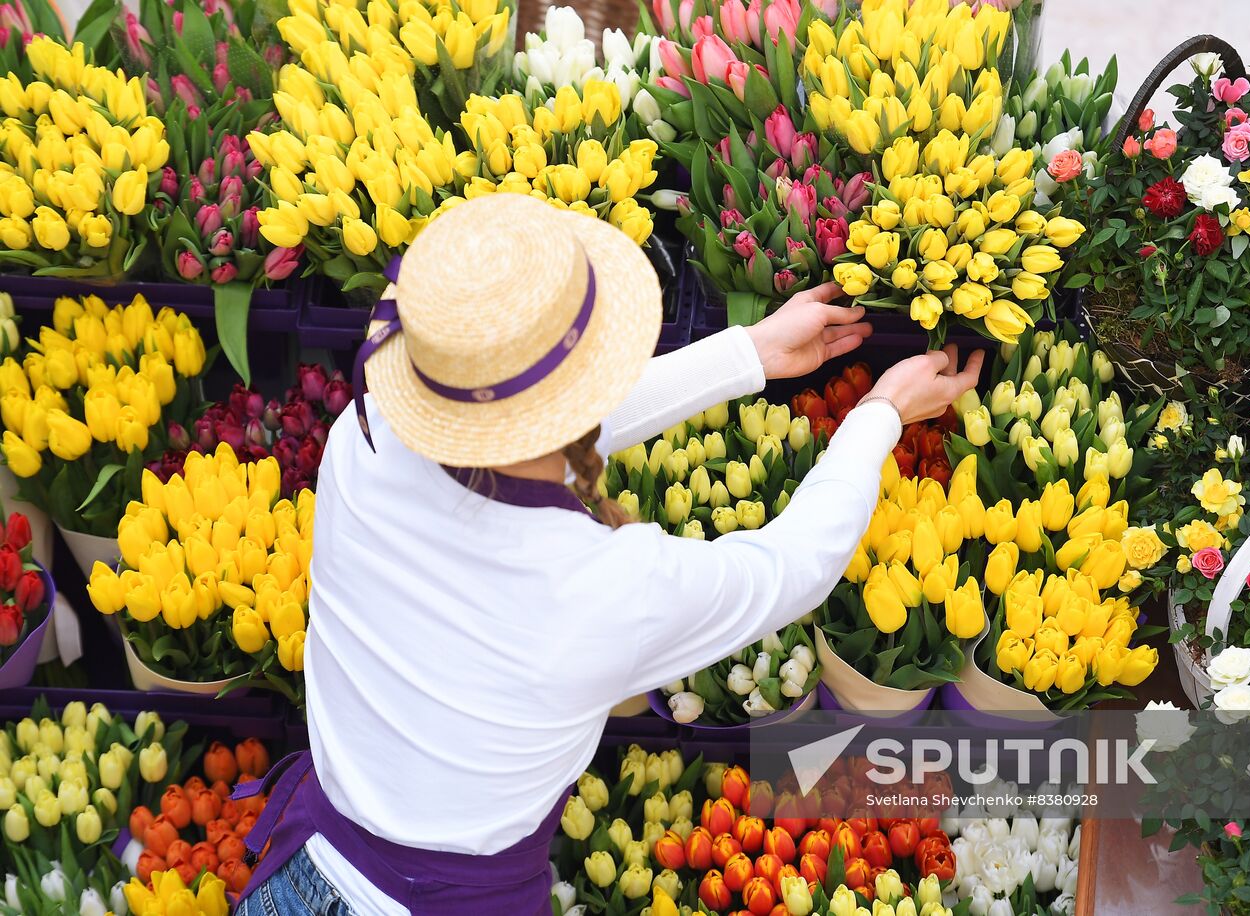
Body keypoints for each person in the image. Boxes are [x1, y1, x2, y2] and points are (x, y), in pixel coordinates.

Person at [234, 194, 983, 916]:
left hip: (296, 876)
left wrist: (749, 354)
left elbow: (528, 425)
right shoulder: (598, 588)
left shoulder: (362, 441)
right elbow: (792, 567)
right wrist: (880, 414)